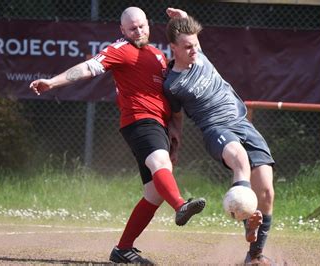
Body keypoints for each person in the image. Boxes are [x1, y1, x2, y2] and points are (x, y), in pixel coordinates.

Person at [29, 6, 206, 265]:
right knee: (159, 162)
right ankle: (180, 205)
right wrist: (52, 82)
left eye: (141, 26)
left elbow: (181, 83)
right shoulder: (119, 50)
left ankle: (122, 249)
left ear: (148, 25)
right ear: (122, 30)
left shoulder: (158, 56)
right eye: (132, 28)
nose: (138, 31)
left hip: (159, 124)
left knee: (154, 194)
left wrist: (176, 137)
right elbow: (88, 68)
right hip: (140, 120)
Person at [164, 8, 276, 265]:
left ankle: (254, 254)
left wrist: (183, 15)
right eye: (187, 47)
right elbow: (176, 118)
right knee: (239, 159)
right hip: (216, 129)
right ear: (173, 48)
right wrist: (175, 147)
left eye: (195, 44)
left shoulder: (199, 54)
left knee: (267, 192)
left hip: (242, 123)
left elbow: (191, 33)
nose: (193, 50)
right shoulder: (172, 84)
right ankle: (242, 210)